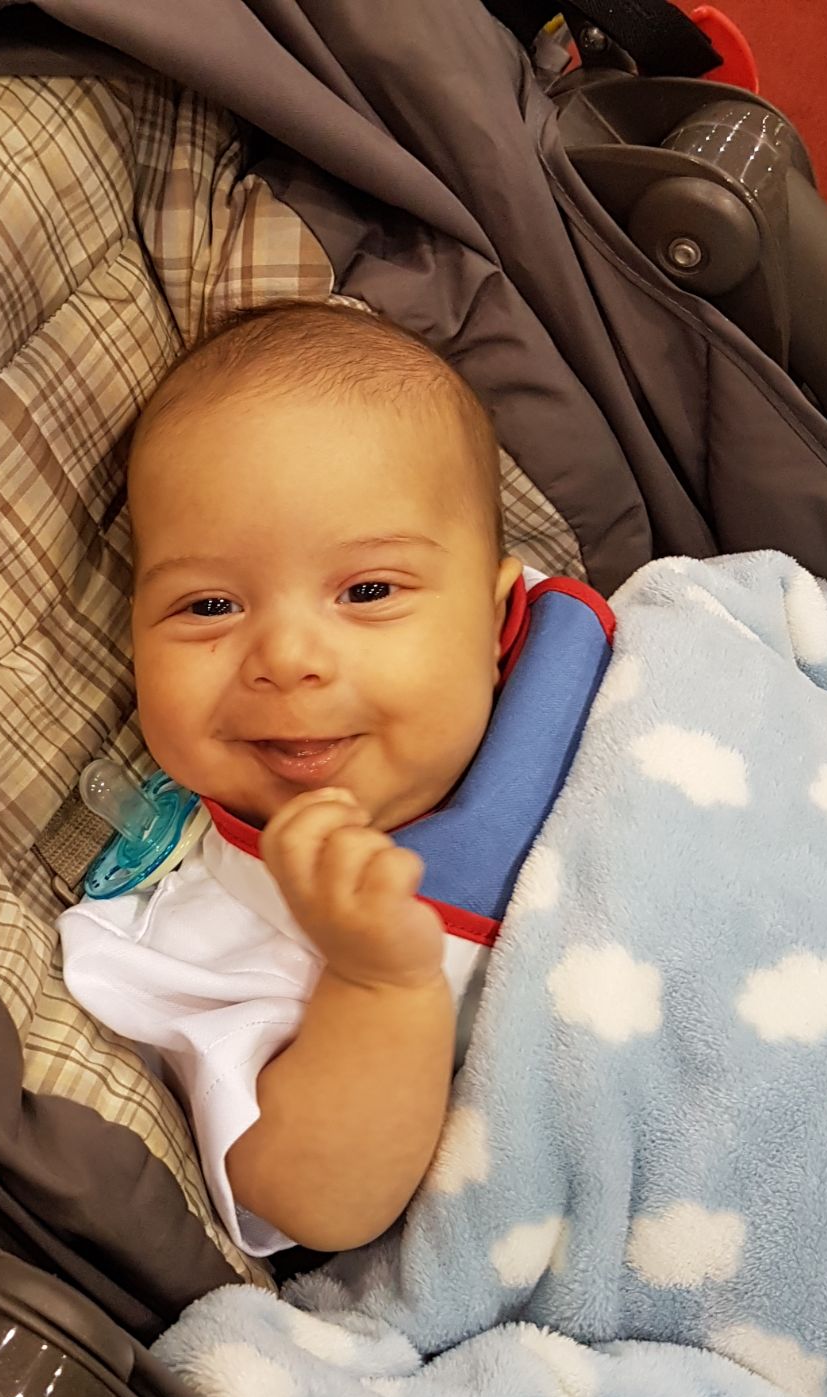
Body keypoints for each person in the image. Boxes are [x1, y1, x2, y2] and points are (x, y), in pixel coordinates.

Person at [59, 300, 601, 1257]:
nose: (287, 659)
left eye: (367, 591)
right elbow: (316, 1204)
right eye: (209, 605)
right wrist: (374, 985)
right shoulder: (198, 944)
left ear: (493, 618)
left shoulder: (599, 661)